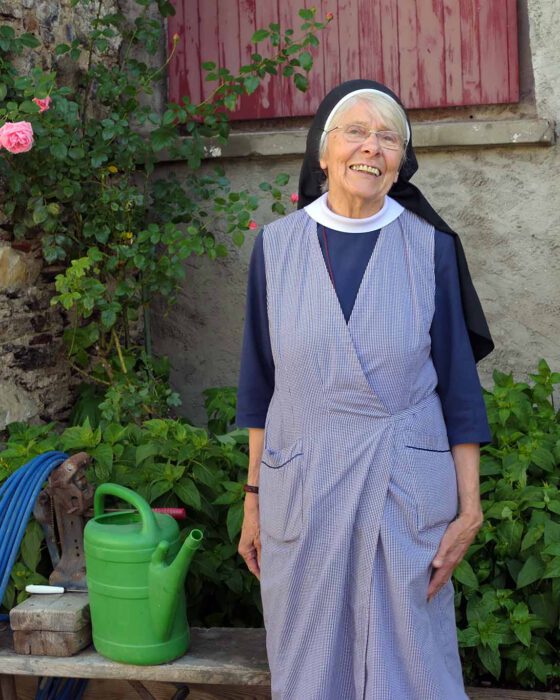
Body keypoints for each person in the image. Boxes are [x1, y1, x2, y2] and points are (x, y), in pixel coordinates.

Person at [236, 79, 493, 700]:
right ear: (321, 152)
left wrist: (470, 509)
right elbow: (259, 383)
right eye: (355, 131)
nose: (371, 148)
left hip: (401, 488)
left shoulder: (430, 248)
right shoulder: (275, 248)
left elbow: (459, 386)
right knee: (310, 661)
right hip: (305, 487)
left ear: (402, 161)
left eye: (388, 138)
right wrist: (252, 498)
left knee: (411, 666)